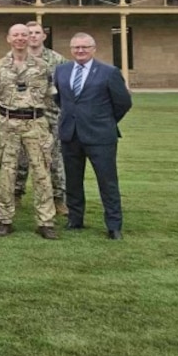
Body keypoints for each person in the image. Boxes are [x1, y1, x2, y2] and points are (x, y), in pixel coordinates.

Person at [55, 33, 132, 239]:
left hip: (100, 136)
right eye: (76, 47)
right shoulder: (61, 71)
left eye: (84, 47)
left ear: (94, 48)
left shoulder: (109, 72)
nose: (80, 51)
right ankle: (75, 219)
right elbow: (59, 100)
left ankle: (114, 225)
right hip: (70, 135)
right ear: (71, 50)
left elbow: (123, 103)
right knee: (72, 180)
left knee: (107, 182)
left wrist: (105, 121)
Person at [0, 23, 57, 239]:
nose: (20, 39)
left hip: (36, 123)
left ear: (30, 38)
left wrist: (30, 111)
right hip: (8, 124)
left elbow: (48, 96)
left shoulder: (43, 67)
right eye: (15, 35)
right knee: (6, 173)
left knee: (42, 173)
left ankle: (46, 221)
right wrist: (10, 113)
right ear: (9, 38)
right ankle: (4, 219)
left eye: (24, 35)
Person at [15, 20, 69, 216]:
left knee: (54, 159)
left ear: (44, 36)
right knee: (20, 159)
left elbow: (65, 89)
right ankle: (16, 193)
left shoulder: (57, 60)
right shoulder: (15, 59)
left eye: (37, 32)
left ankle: (58, 198)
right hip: (23, 117)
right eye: (29, 33)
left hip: (50, 118)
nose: (33, 36)